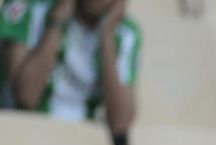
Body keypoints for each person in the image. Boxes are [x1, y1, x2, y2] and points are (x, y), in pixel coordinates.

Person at [0, 0, 138, 134]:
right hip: (22, 132)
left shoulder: (125, 34)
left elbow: (120, 123)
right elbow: (25, 98)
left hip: (78, 138)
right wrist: (57, 21)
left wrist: (107, 35)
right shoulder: (29, 6)